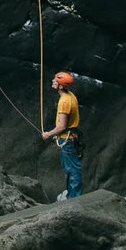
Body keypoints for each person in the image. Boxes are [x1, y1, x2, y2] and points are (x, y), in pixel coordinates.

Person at [42, 71, 82, 200]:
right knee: (71, 168)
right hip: (71, 136)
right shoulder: (71, 96)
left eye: (55, 81)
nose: (53, 82)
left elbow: (62, 126)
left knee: (72, 168)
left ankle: (74, 196)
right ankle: (71, 193)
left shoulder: (64, 101)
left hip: (67, 138)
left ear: (60, 86)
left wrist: (48, 134)